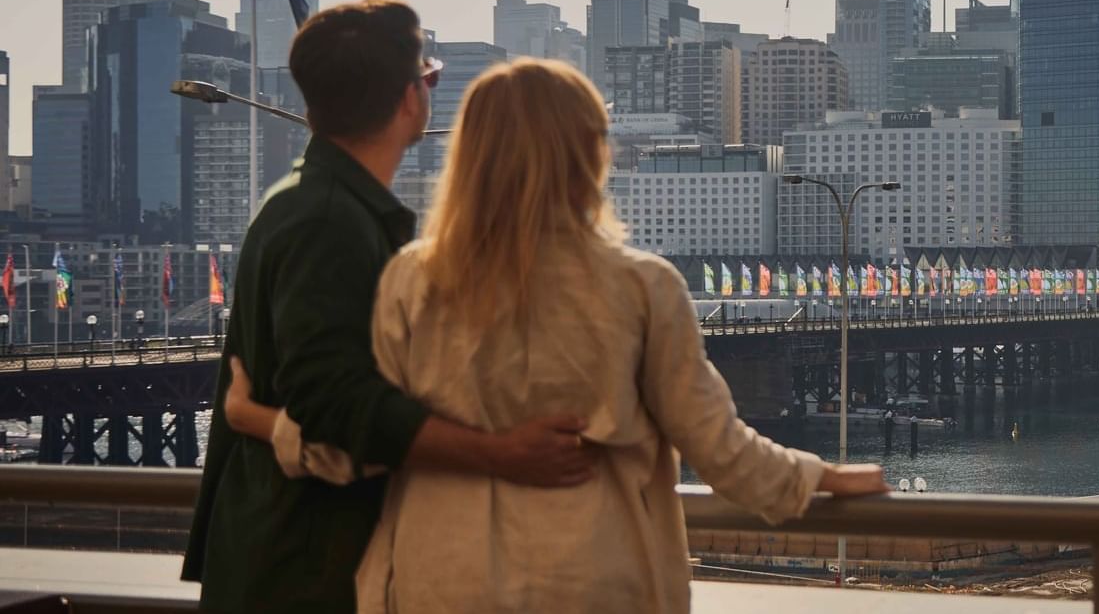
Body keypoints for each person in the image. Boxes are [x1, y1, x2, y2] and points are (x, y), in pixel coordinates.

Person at [227, 57, 887, 612]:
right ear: (585, 154)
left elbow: (363, 441)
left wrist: (256, 417)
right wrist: (821, 473)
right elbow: (719, 447)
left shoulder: (412, 281)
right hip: (592, 579)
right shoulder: (641, 286)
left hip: (439, 579)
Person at [184, 0, 595, 613]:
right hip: (309, 571)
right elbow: (337, 406)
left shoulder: (310, 204)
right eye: (429, 78)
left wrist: (252, 416)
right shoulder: (330, 222)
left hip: (295, 560)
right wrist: (501, 453)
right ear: (412, 99)